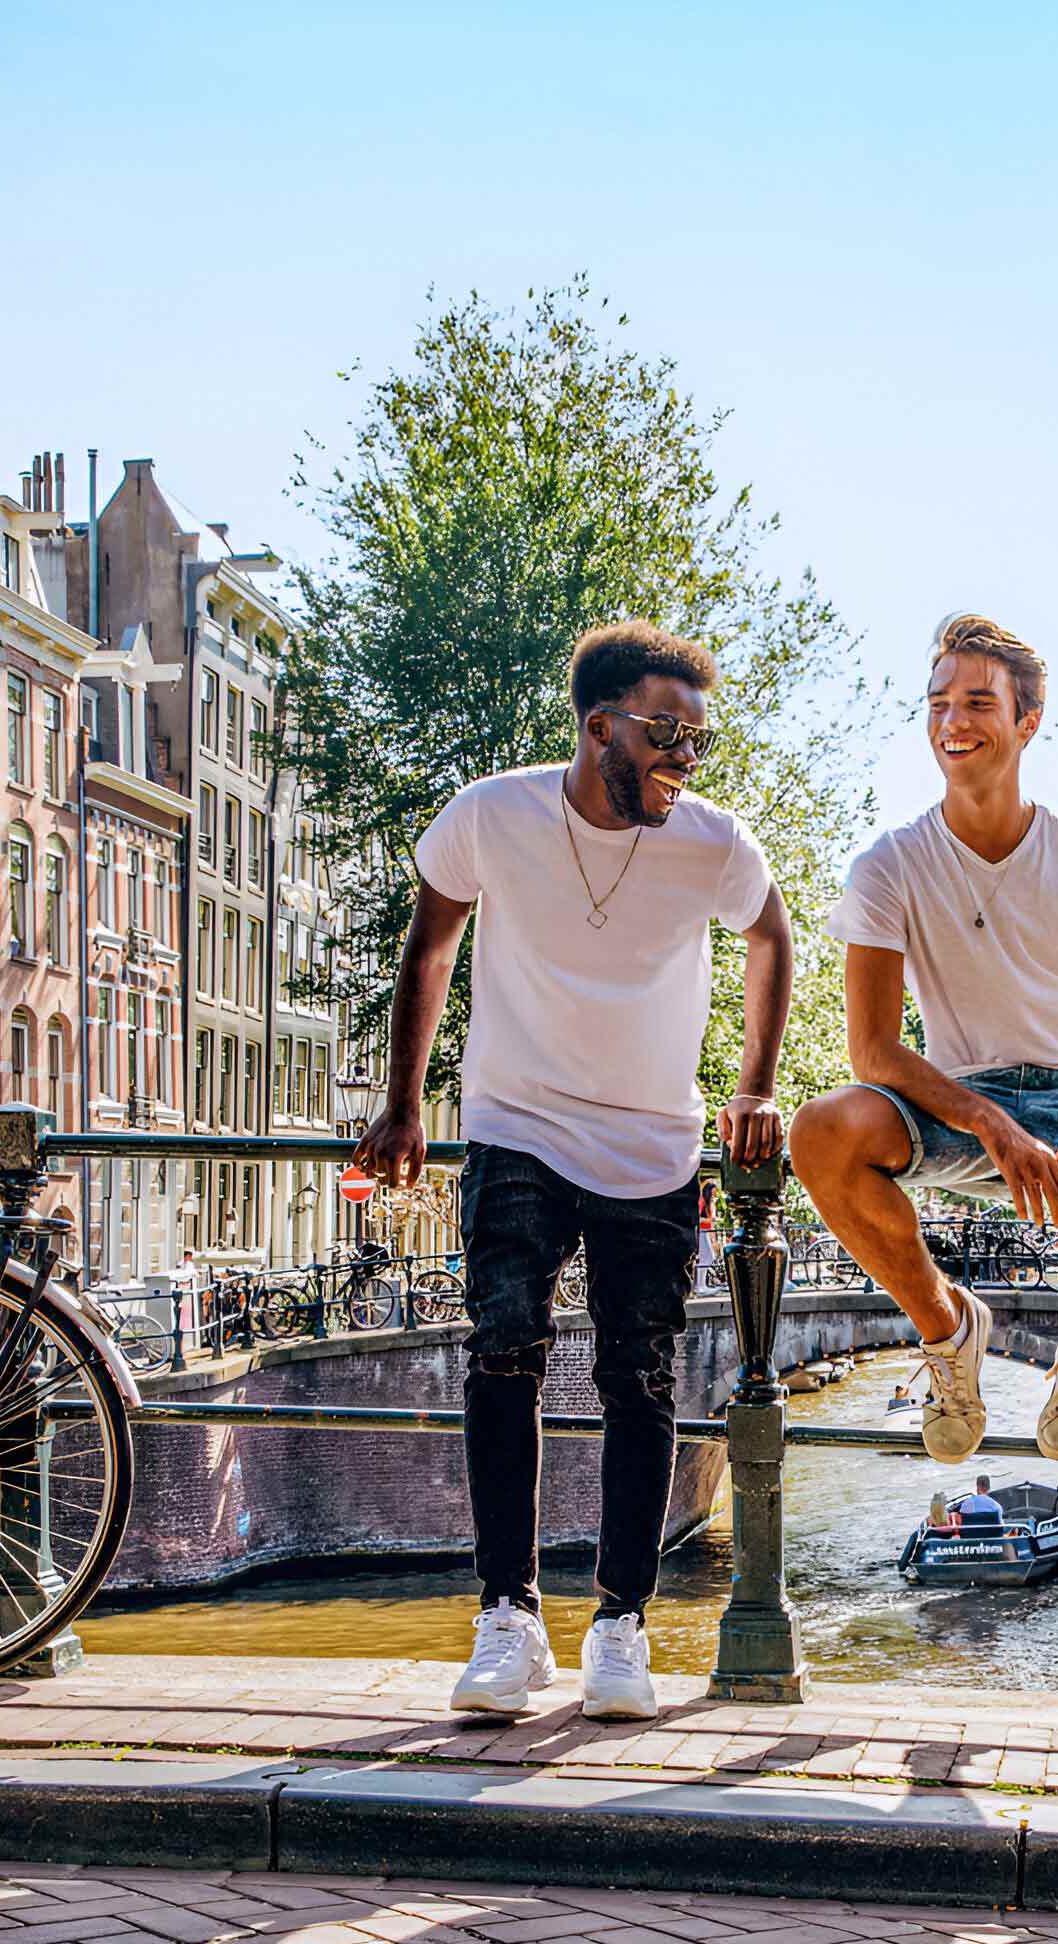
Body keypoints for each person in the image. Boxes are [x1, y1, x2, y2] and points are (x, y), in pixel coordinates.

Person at [352, 621, 794, 1722]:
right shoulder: (491, 815)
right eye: (664, 733)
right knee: (502, 1348)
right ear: (600, 728)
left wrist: (754, 1085)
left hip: (651, 1140)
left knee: (639, 1378)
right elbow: (431, 947)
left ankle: (621, 1627)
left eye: (698, 739)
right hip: (517, 1122)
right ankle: (507, 1617)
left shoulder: (711, 842)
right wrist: (405, 1103)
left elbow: (773, 938)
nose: (685, 760)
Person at [791, 615, 1058, 1467]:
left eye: (979, 701)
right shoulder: (889, 865)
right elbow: (872, 1050)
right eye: (939, 702)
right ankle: (947, 1331)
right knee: (820, 1131)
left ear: (1028, 722)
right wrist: (987, 1121)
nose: (954, 720)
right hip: (953, 1096)